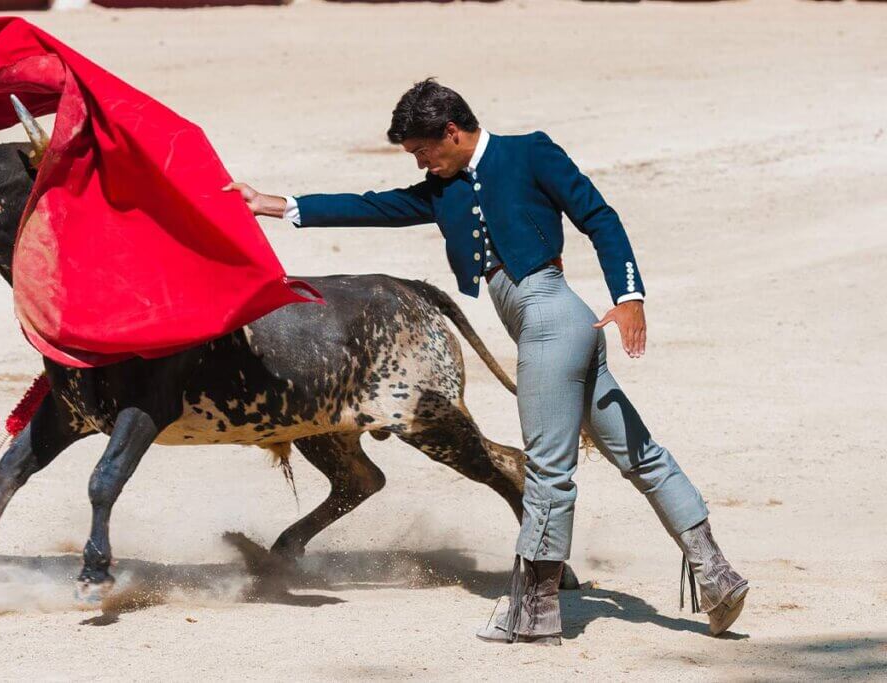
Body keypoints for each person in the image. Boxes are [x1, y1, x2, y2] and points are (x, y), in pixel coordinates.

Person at [225, 78, 748, 645]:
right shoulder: (441, 188)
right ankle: (716, 574)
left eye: (423, 149)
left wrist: (629, 298)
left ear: (451, 132)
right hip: (559, 330)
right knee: (639, 454)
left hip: (552, 322)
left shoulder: (530, 151)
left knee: (549, 469)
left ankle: (536, 612)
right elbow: (371, 206)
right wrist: (271, 205)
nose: (421, 161)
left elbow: (599, 217)